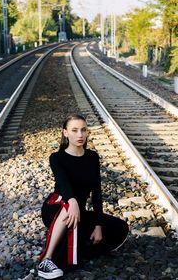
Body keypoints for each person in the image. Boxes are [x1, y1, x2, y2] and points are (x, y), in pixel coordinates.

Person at [38, 113, 129, 279]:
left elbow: (97, 193)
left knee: (120, 228)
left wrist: (98, 225)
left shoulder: (92, 157)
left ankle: (80, 248)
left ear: (87, 132)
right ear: (65, 132)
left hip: (78, 211)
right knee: (68, 208)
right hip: (57, 205)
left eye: (83, 130)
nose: (80, 135)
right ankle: (47, 259)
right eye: (74, 130)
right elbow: (63, 184)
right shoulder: (57, 158)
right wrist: (72, 201)